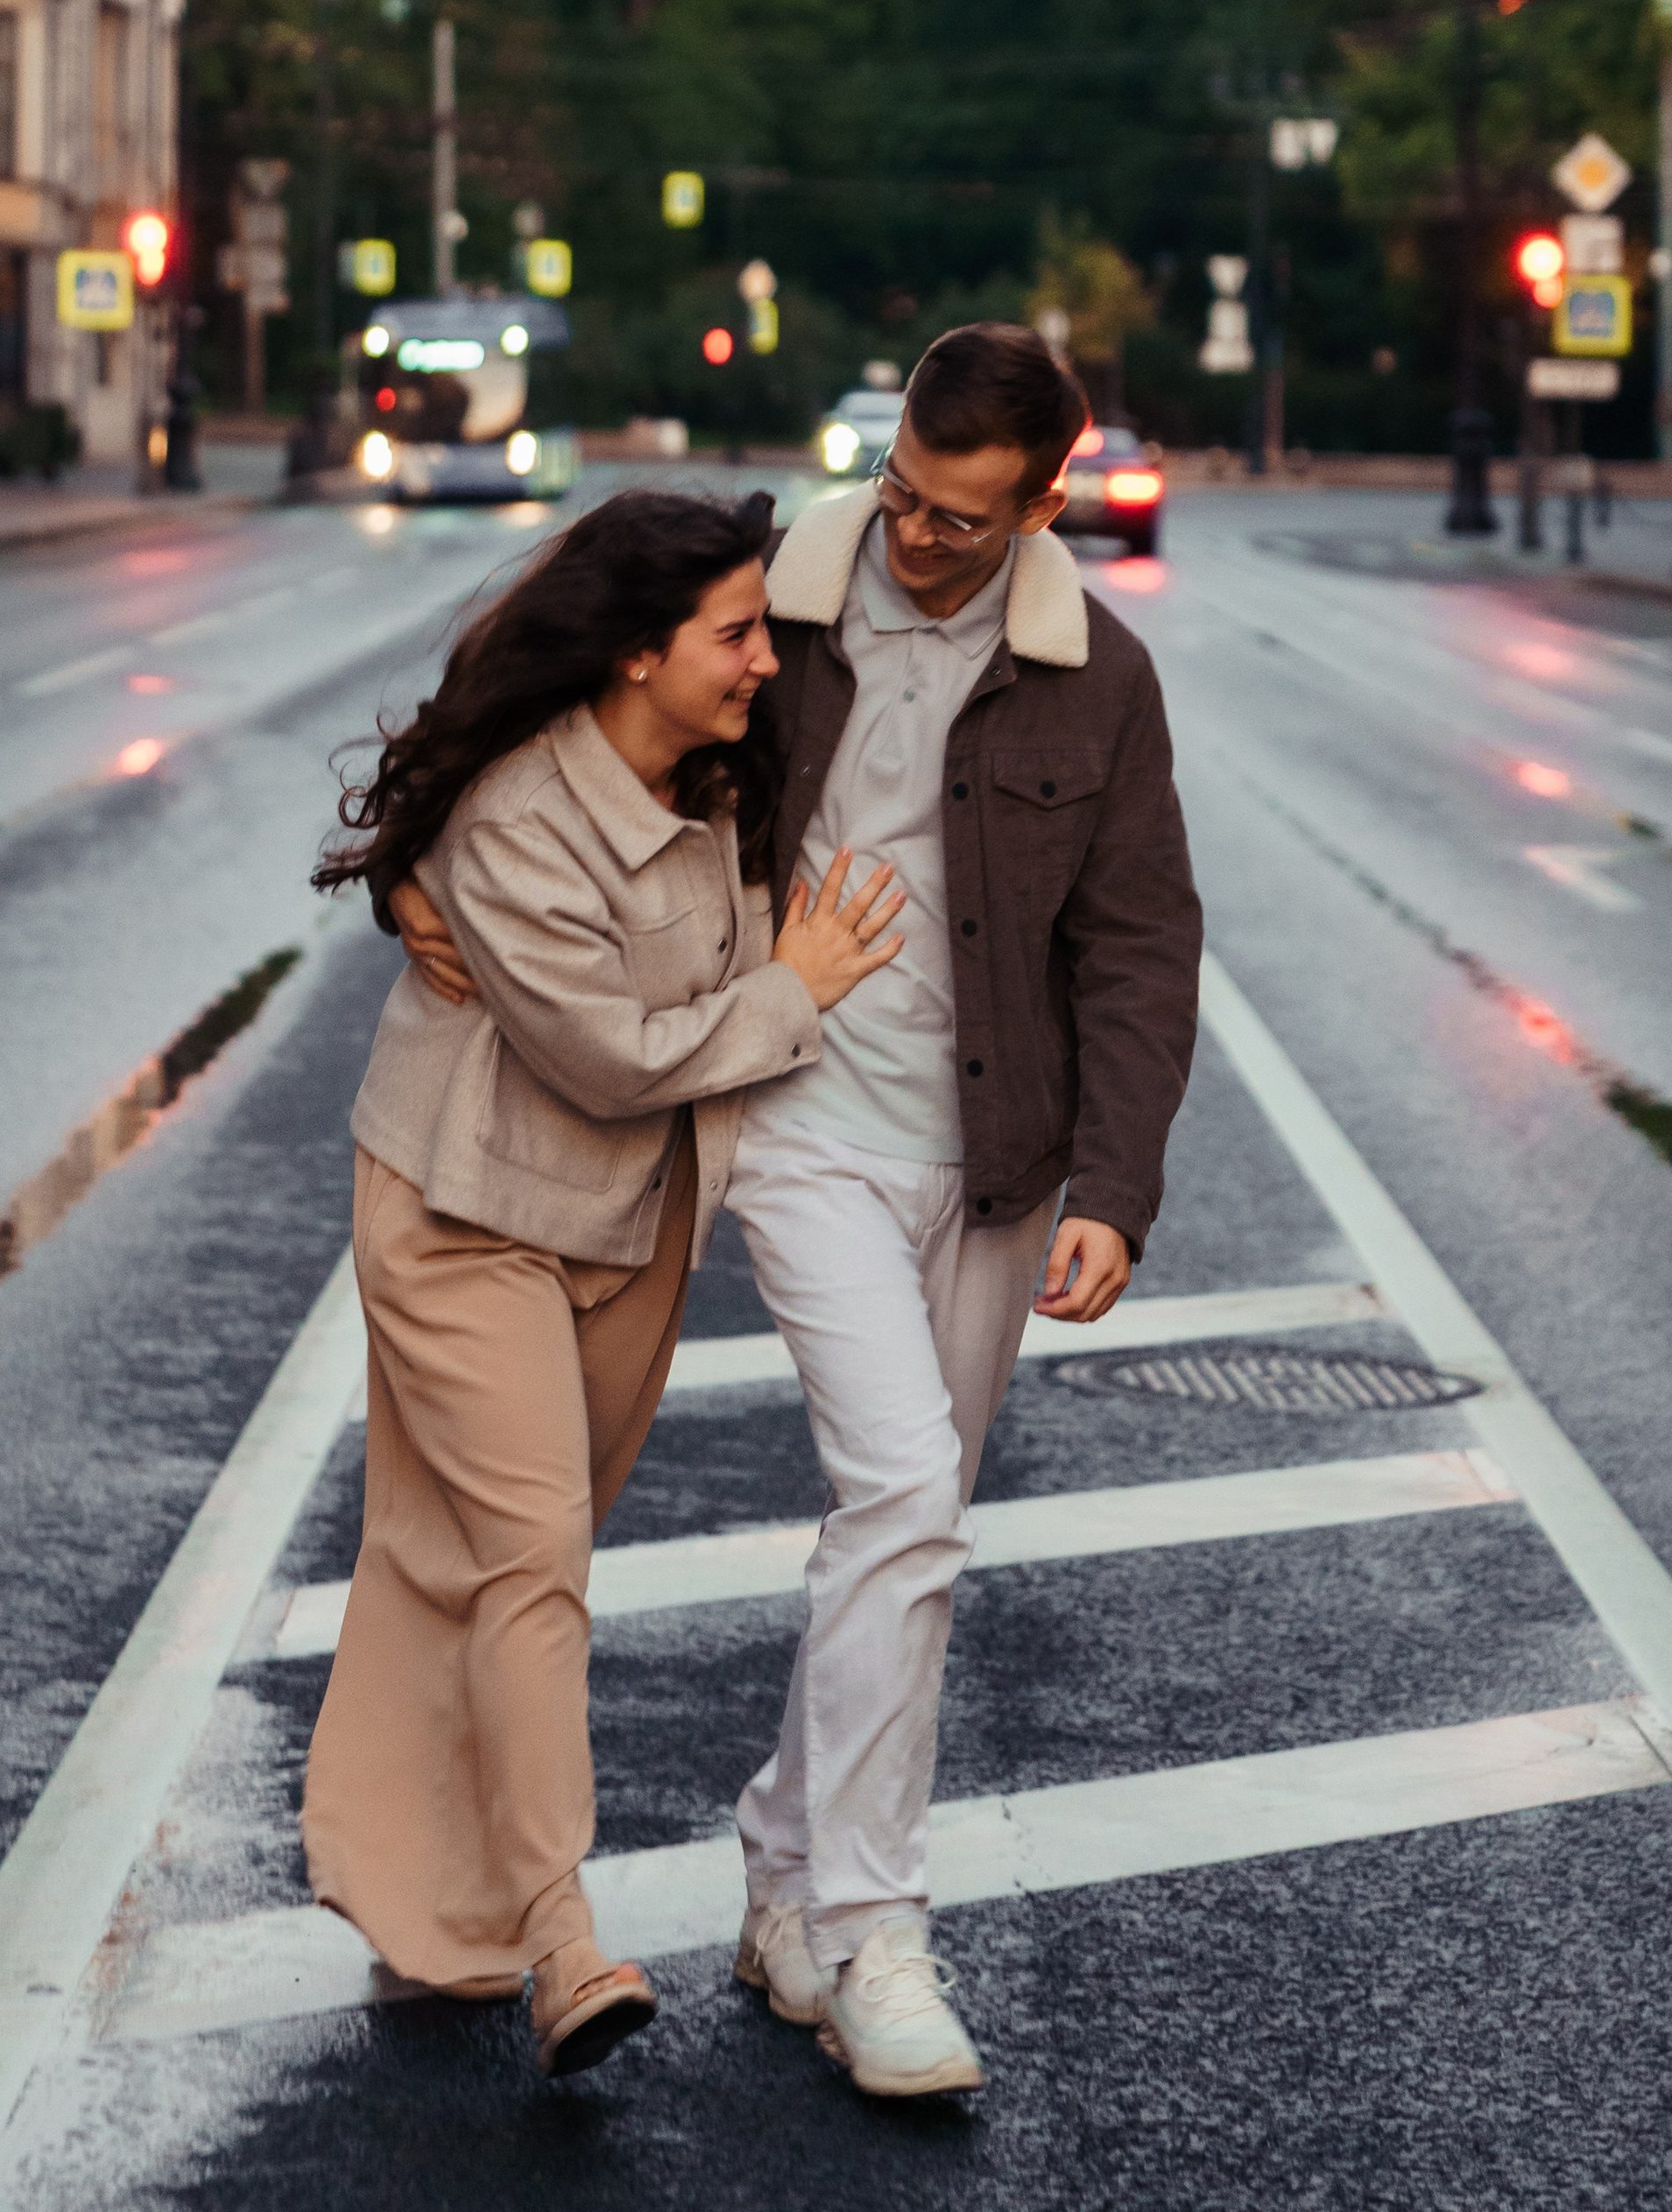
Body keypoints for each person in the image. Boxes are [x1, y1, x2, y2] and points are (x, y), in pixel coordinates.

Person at [398, 324, 1202, 2098]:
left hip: (990, 1157)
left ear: (1040, 503)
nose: (912, 535)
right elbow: (546, 691)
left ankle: (776, 1878)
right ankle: (875, 1932)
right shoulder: (784, 600)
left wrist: (1114, 1191)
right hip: (790, 1116)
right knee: (904, 1491)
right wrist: (408, 867)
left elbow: (1136, 941)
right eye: (902, 493)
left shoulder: (1095, 673)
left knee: (897, 1541)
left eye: (958, 520)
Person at [302, 487, 902, 2083]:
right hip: (466, 1213)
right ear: (637, 653)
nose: (766, 660)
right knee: (532, 1559)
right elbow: (610, 1059)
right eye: (733, 634)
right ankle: (560, 1939)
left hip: (624, 1236)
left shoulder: (720, 770)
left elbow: (870, 580)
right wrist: (795, 989)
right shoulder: (515, 817)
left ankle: (416, 1899)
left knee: (462, 1562)